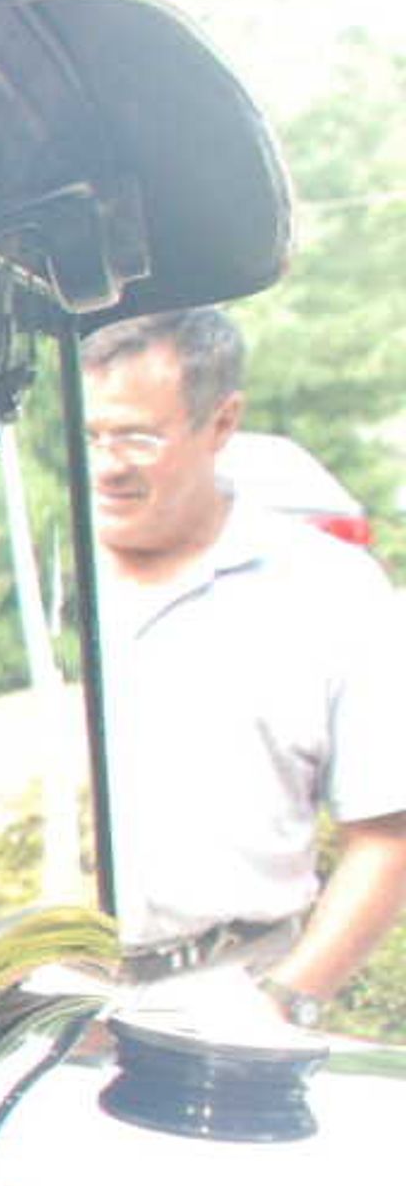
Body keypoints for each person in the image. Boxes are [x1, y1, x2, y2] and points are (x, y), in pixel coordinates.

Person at [80, 307, 406, 1028]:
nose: (105, 465)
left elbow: (388, 837)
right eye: (91, 436)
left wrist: (283, 1002)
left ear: (221, 423)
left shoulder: (330, 590)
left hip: (227, 1004)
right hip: (48, 1011)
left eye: (137, 436)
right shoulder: (64, 573)